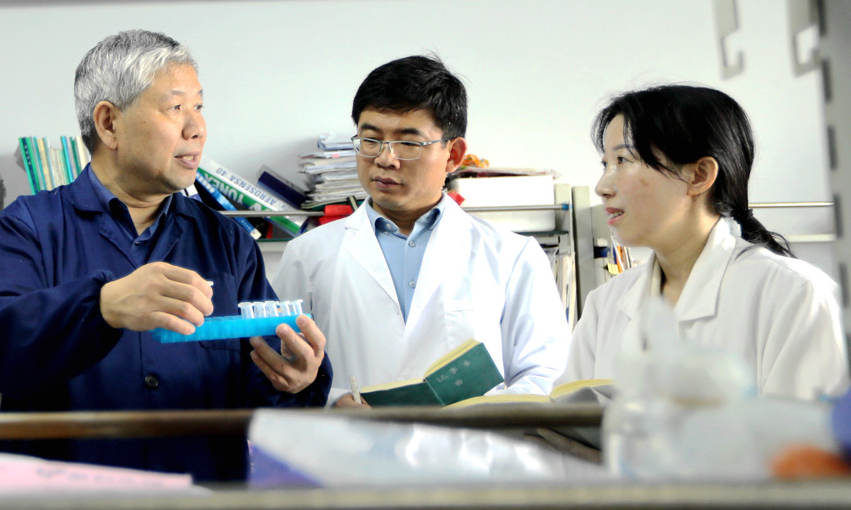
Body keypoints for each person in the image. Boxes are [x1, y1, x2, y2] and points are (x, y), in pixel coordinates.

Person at [0, 30, 330, 481]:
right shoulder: (30, 227)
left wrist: (297, 379)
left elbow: (260, 396)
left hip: (199, 509)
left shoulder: (228, 241)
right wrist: (101, 306)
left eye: (199, 107)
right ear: (109, 124)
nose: (196, 128)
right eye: (176, 108)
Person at [273, 55, 570, 407]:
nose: (385, 158)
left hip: (469, 441)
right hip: (349, 440)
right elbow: (281, 371)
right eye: (371, 140)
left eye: (408, 143)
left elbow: (545, 375)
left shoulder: (513, 256)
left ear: (453, 154)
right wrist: (333, 402)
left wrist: (478, 416)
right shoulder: (308, 254)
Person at [559, 84, 848, 398]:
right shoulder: (605, 304)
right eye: (606, 165)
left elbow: (812, 427)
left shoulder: (796, 296)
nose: (602, 187)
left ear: (698, 175)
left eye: (624, 160)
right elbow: (565, 420)